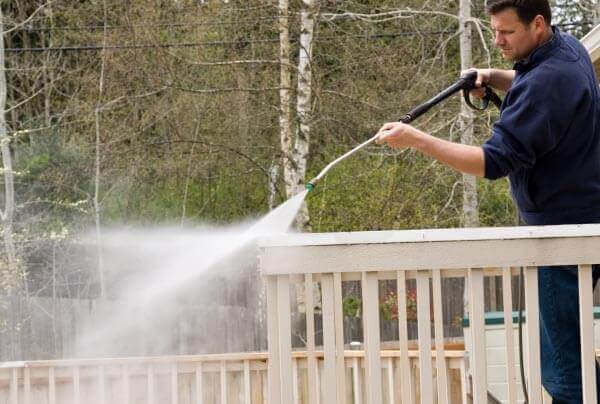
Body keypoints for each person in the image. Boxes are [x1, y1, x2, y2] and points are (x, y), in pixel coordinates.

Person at [375, 0, 600, 402]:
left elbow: (491, 162)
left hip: (562, 240)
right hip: (585, 222)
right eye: (494, 30)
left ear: (538, 24)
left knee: (566, 369)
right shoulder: (567, 50)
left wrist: (416, 139)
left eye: (507, 32)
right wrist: (493, 76)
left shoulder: (548, 80)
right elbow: (530, 81)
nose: (497, 40)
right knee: (573, 355)